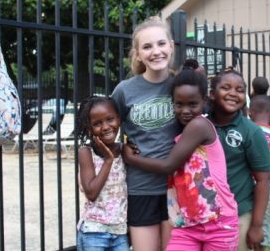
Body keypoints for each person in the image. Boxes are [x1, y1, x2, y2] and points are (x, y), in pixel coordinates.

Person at [123, 69, 239, 250]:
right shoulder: (183, 130)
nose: (185, 111)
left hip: (218, 220)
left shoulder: (199, 125)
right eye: (179, 104)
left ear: (205, 102)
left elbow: (169, 166)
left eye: (192, 104)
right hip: (187, 223)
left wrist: (130, 158)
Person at [111, 17, 181, 251]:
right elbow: (106, 130)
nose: (156, 52)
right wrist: (121, 148)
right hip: (141, 188)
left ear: (171, 46)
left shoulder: (182, 86)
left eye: (161, 44)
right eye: (147, 47)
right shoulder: (124, 90)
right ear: (138, 54)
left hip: (179, 186)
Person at [208, 69, 270, 251]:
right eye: (226, 88)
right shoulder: (200, 125)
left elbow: (263, 180)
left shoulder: (251, 132)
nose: (233, 94)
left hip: (239, 213)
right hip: (204, 214)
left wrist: (256, 226)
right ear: (212, 94)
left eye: (240, 89)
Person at [75, 95, 129, 251]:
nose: (105, 127)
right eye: (97, 124)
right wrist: (108, 160)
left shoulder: (124, 149)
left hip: (119, 232)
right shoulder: (86, 152)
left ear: (118, 119)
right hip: (94, 231)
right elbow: (91, 193)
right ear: (89, 128)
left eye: (110, 119)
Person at [248, 95, 270, 250]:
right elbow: (266, 165)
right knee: (263, 229)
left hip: (247, 187)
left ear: (249, 112)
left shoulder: (247, 131)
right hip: (267, 189)